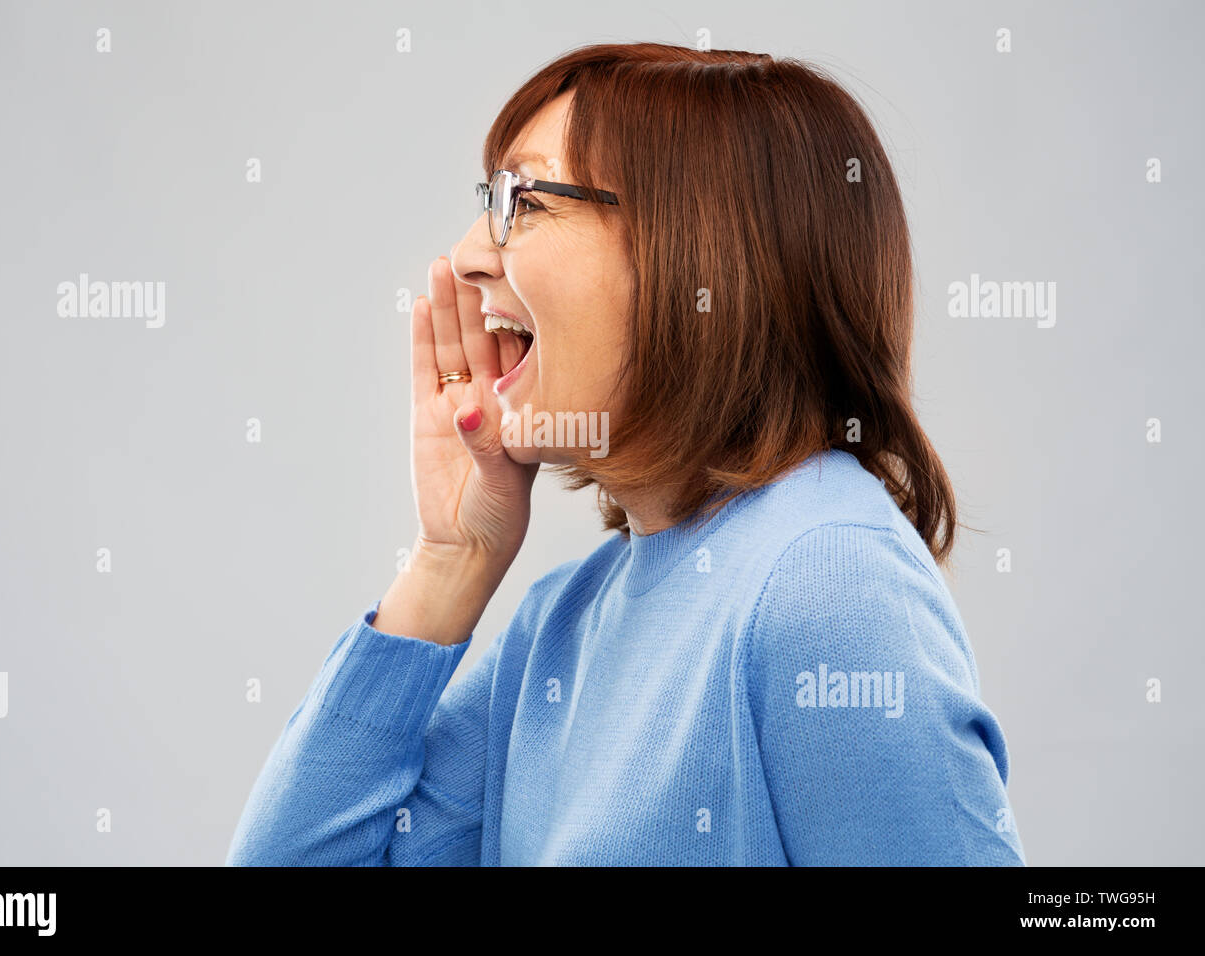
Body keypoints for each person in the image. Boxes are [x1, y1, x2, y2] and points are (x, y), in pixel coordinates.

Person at [226, 42, 1026, 866]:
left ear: (700, 247)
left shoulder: (826, 580)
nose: (468, 252)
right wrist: (451, 561)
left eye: (523, 202)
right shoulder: (559, 625)